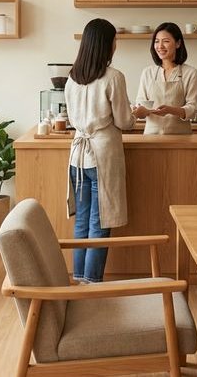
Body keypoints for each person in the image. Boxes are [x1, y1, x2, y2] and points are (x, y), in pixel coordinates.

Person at [65, 18, 136, 283]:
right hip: (102, 157)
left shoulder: (72, 78)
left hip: (77, 156)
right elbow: (124, 121)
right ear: (107, 44)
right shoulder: (114, 77)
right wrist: (134, 114)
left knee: (81, 222)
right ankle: (93, 283)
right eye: (114, 40)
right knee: (100, 223)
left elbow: (74, 119)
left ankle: (80, 279)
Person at [133, 22, 197, 134]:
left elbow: (192, 109)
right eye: (157, 41)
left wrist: (171, 110)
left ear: (178, 43)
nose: (160, 46)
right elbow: (140, 102)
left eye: (166, 41)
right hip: (151, 137)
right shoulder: (147, 72)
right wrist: (139, 111)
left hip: (181, 138)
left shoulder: (190, 73)